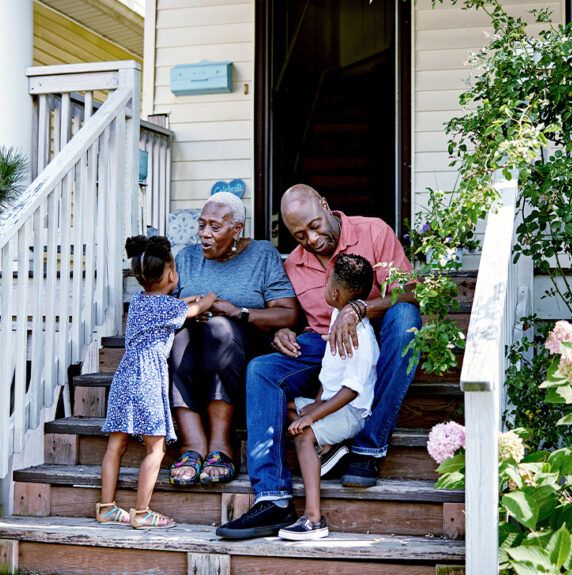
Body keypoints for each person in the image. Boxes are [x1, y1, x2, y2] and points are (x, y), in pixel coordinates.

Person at [216, 184, 422, 540]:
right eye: (299, 235)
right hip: (324, 346)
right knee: (261, 370)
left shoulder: (373, 231)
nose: (311, 239)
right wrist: (280, 334)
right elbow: (294, 316)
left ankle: (368, 447)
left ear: (325, 206)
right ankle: (273, 496)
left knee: (406, 319)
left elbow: (407, 291)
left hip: (378, 335)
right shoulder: (293, 263)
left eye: (314, 226)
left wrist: (359, 309)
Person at [167, 192, 300, 486]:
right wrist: (189, 309)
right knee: (177, 336)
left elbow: (288, 314)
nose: (204, 234)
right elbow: (167, 307)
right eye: (201, 225)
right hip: (193, 351)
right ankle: (192, 444)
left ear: (237, 229)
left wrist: (236, 312)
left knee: (220, 328)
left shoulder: (262, 254)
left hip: (240, 349)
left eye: (215, 227)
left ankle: (220, 444)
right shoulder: (187, 258)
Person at [95, 235, 216, 529]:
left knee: (116, 445)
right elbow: (193, 311)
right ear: (171, 273)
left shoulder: (138, 302)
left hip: (125, 377)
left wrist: (185, 301)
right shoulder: (169, 309)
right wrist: (210, 297)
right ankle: (142, 511)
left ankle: (107, 507)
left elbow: (170, 306)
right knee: (156, 448)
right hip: (148, 378)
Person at [279, 254, 378, 541]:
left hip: (353, 412)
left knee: (303, 434)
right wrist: (318, 401)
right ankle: (331, 448)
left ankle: (313, 518)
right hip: (333, 402)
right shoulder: (339, 314)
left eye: (326, 281)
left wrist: (313, 415)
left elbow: (351, 390)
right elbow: (331, 372)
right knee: (285, 406)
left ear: (334, 293)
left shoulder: (359, 336)